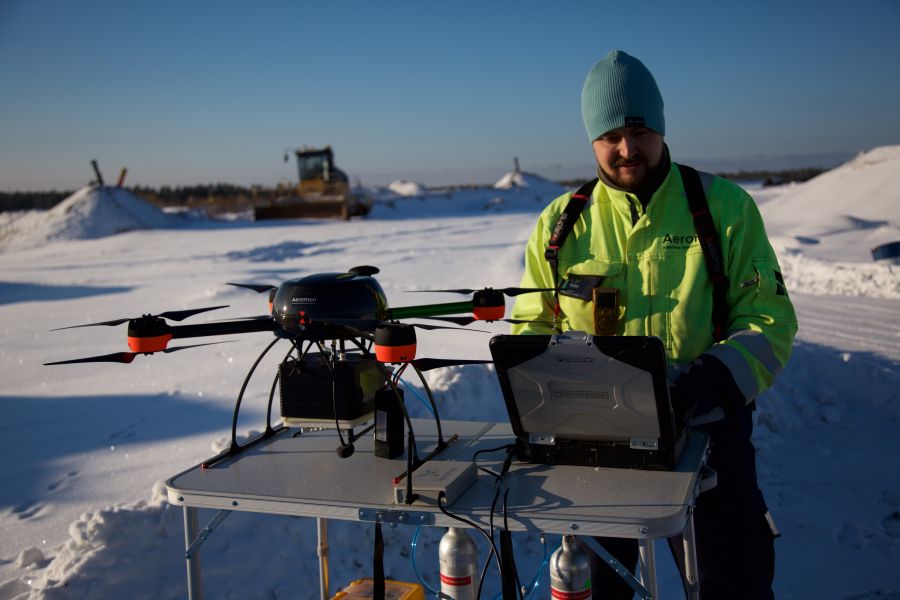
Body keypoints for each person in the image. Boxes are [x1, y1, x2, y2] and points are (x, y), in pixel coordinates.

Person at [510, 50, 798, 599]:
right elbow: (533, 327)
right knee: (598, 589)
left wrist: (705, 382)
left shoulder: (721, 208)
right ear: (591, 139)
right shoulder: (560, 223)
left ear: (660, 129)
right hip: (598, 442)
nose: (626, 148)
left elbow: (769, 320)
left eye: (638, 131)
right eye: (609, 134)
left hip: (710, 433)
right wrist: (541, 386)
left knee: (732, 581)